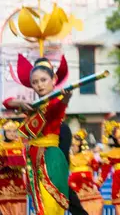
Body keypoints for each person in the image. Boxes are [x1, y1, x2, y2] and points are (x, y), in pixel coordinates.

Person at [3, 57, 71, 214]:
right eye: (35, 82)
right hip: (33, 158)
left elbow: (58, 109)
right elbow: (7, 102)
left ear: (53, 79)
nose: (39, 85)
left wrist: (65, 98)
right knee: (40, 204)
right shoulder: (32, 106)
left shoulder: (54, 103)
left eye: (43, 80)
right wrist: (20, 104)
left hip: (49, 157)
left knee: (50, 206)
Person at [69, 129, 103, 215]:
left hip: (90, 190)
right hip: (75, 192)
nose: (73, 147)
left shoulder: (88, 155)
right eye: (71, 145)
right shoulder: (69, 158)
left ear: (80, 145)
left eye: (74, 145)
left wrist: (98, 183)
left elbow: (100, 168)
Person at [0, 120, 27, 215]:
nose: (12, 133)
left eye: (14, 131)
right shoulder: (1, 145)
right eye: (9, 131)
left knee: (19, 207)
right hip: (3, 183)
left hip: (18, 182)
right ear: (4, 132)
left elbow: (26, 162)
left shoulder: (20, 145)